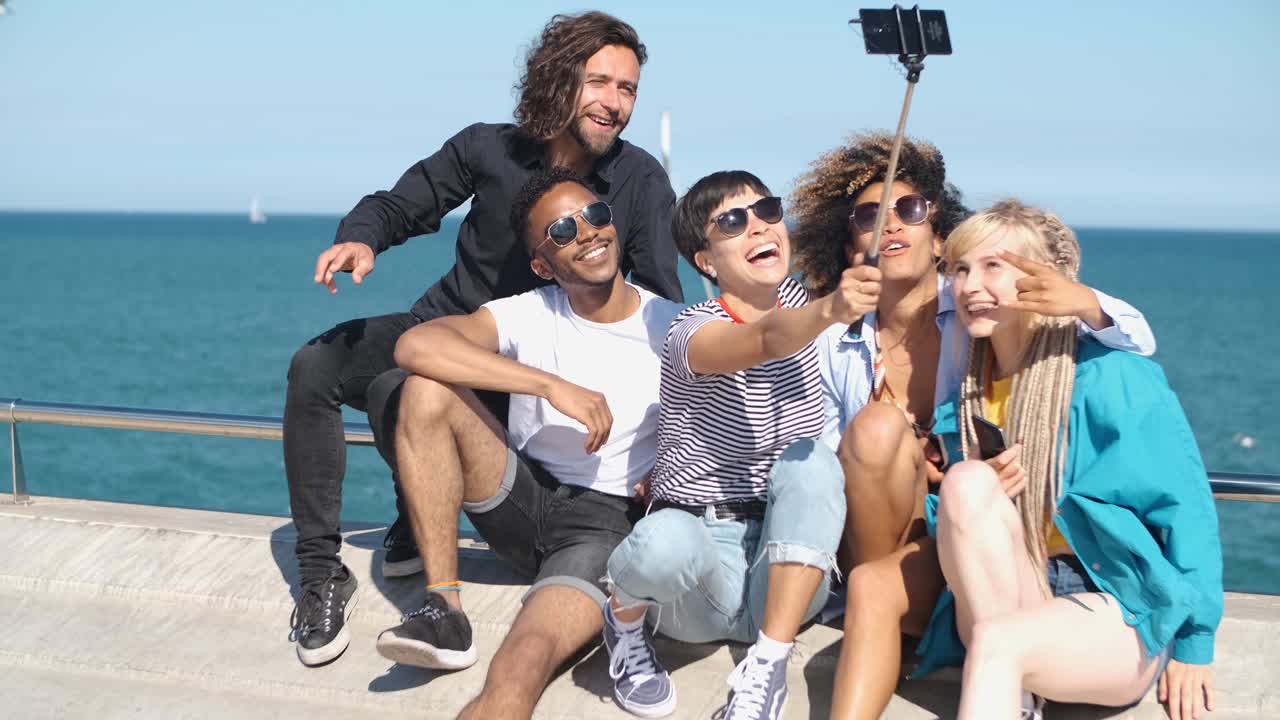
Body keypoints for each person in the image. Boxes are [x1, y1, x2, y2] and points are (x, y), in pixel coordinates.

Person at [284, 12, 683, 667]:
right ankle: (321, 574)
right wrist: (359, 237)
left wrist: (663, 458)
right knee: (316, 365)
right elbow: (399, 204)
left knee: (407, 389)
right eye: (601, 82)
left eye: (630, 90)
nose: (616, 103)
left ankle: (418, 517)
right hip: (452, 330)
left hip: (527, 373)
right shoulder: (487, 147)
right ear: (559, 80)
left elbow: (663, 312)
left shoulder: (638, 182)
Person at [786, 133, 1157, 719]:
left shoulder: (975, 308)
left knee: (898, 530)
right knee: (878, 434)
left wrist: (1082, 298)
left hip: (972, 539)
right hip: (883, 541)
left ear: (939, 236)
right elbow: (819, 455)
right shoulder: (836, 339)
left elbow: (1133, 338)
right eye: (868, 217)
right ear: (850, 244)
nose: (890, 226)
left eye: (909, 210)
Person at [371, 168, 683, 720]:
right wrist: (550, 386)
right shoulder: (528, 311)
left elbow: (721, 420)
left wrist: (672, 469)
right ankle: (444, 607)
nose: (587, 233)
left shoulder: (671, 324)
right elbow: (416, 344)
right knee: (425, 390)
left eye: (596, 216)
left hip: (604, 526)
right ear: (542, 264)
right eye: (563, 230)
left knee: (521, 666)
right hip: (524, 498)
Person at [918, 200, 1222, 720]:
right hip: (1014, 586)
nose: (969, 286)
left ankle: (1013, 697)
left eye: (993, 266)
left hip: (1112, 598)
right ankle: (1016, 698)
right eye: (961, 269)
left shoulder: (1111, 377)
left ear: (1043, 279)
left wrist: (1196, 641)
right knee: (967, 482)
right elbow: (957, 522)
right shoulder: (966, 390)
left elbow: (1187, 509)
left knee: (997, 645)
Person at [601, 171, 875, 720]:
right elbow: (765, 338)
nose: (758, 227)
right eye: (732, 221)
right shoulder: (691, 331)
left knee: (812, 464)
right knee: (663, 543)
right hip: (699, 568)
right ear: (706, 260)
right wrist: (830, 310)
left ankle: (767, 668)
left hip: (786, 561)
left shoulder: (808, 300)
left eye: (767, 211)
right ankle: (622, 620)